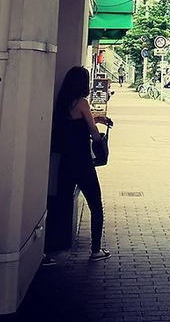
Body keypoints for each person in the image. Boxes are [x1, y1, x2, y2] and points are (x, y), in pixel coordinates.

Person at [51, 66, 112, 261]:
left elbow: (74, 123)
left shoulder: (62, 102)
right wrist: (99, 137)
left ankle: (55, 248)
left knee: (62, 203)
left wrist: (95, 118)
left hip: (65, 162)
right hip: (83, 162)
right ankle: (96, 250)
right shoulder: (83, 102)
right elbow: (92, 131)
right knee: (96, 204)